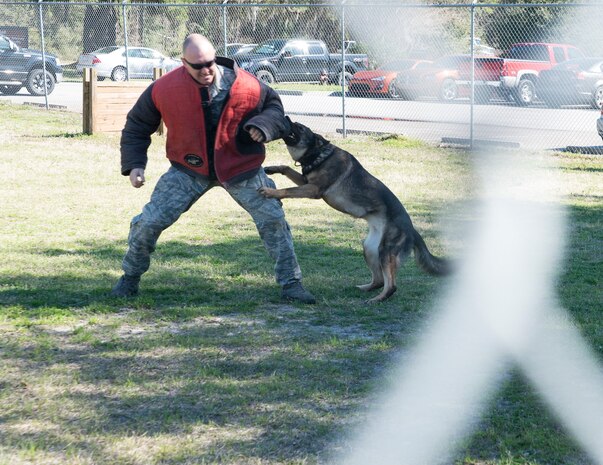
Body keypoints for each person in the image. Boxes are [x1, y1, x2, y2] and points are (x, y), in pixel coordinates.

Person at [110, 33, 315, 304]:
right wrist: (135, 164)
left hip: (241, 167)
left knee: (273, 220)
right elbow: (137, 126)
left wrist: (264, 126)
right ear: (184, 62)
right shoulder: (163, 89)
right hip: (188, 169)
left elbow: (275, 110)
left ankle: (292, 284)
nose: (206, 70)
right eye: (198, 66)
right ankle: (129, 279)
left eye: (210, 62)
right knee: (148, 222)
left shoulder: (248, 85)